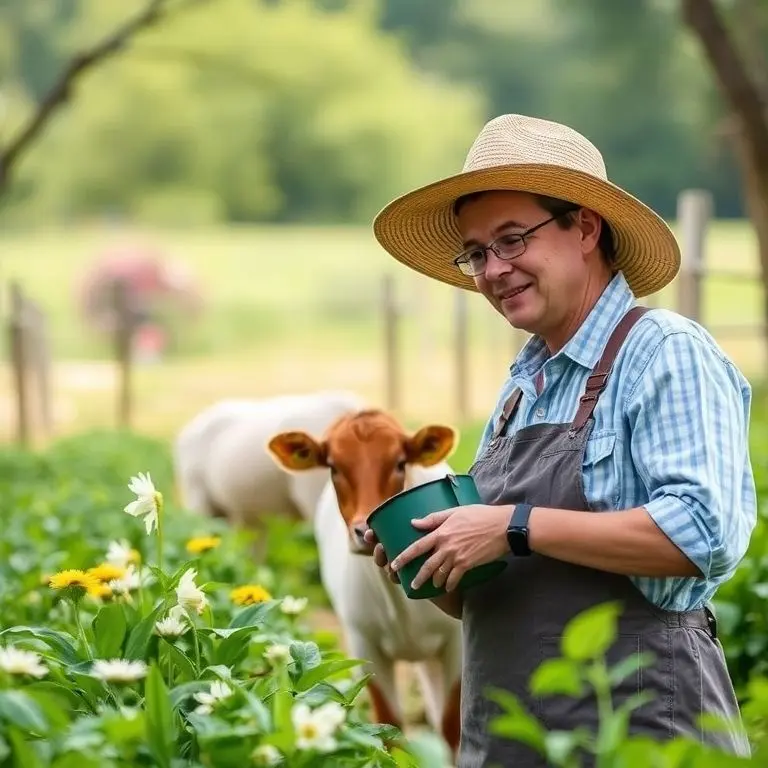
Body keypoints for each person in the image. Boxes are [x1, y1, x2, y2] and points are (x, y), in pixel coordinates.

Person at [364, 114, 757, 767]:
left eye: (512, 240)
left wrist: (514, 525)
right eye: (477, 253)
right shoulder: (523, 385)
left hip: (639, 736)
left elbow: (701, 534)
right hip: (510, 739)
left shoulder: (662, 352)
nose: (492, 270)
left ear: (583, 227)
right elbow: (502, 595)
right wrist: (434, 560)